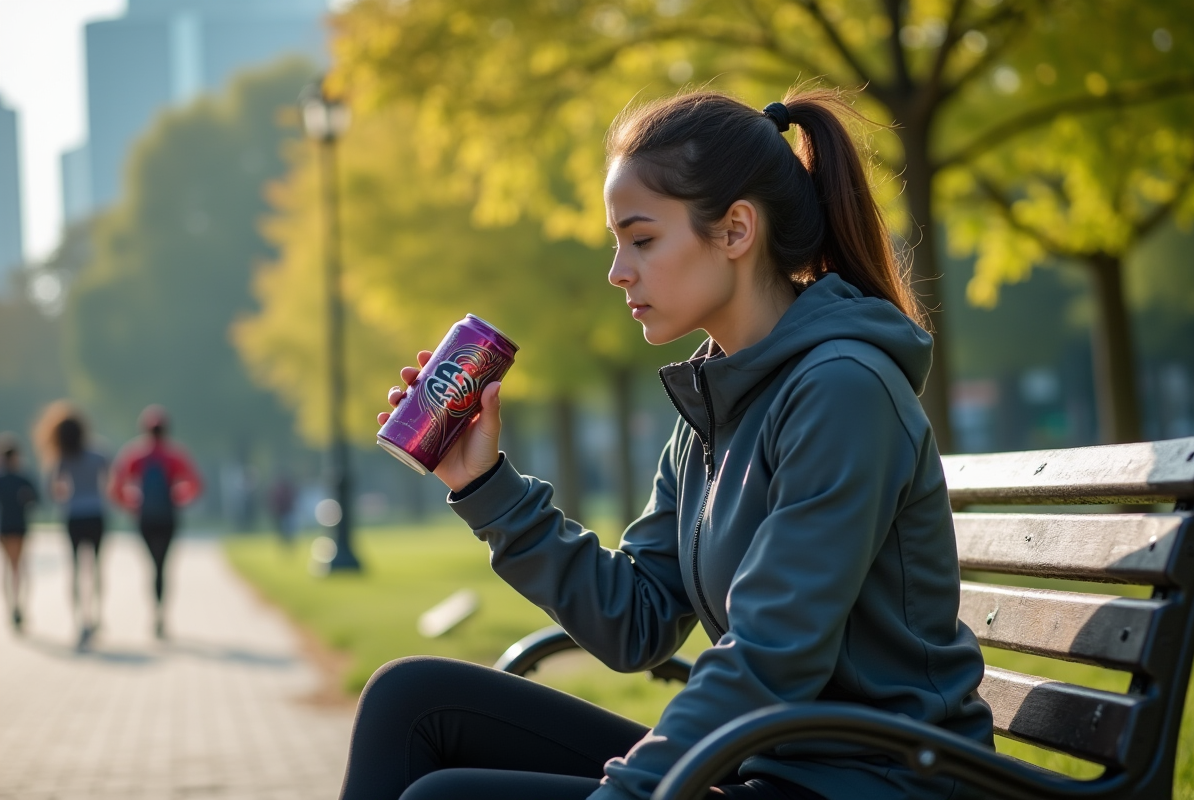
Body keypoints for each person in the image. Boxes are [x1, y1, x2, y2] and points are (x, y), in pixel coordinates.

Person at [341, 89, 994, 800]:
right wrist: (484, 485)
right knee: (411, 702)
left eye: (642, 239)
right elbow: (638, 621)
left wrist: (624, 795)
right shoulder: (718, 403)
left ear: (736, 229)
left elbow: (773, 658)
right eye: (617, 243)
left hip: (875, 785)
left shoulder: (843, 392)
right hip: (770, 768)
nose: (619, 271)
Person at [109, 405, 203, 639]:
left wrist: (132, 504)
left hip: (145, 518)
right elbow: (196, 484)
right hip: (168, 517)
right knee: (163, 566)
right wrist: (178, 498)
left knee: (153, 565)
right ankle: (161, 613)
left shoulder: (134, 454)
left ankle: (156, 611)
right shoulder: (175, 455)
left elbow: (116, 488)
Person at [33, 402, 109, 647]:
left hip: (73, 515)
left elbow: (51, 489)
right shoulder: (97, 453)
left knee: (75, 568)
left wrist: (65, 497)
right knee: (96, 567)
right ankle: (97, 615)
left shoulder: (61, 458)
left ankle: (80, 620)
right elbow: (111, 478)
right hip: (96, 513)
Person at [0, 433, 39, 632]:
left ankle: (14, 606)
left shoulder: (10, 478)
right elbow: (36, 500)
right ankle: (16, 605)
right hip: (15, 526)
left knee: (11, 567)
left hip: (8, 527)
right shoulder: (22, 478)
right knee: (17, 567)